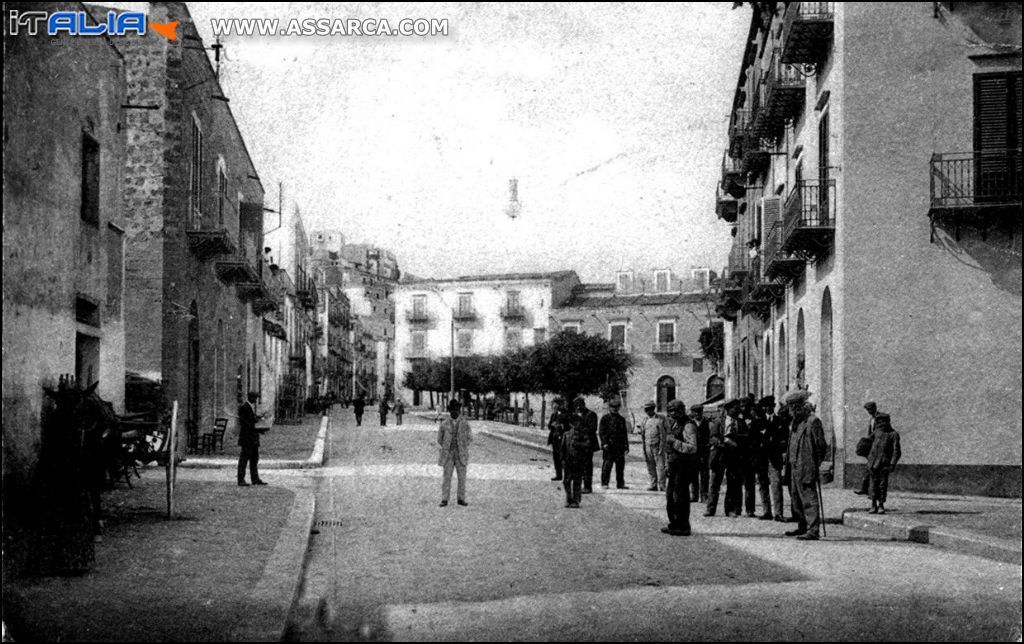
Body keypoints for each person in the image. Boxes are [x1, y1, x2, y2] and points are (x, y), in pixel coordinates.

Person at [783, 389, 828, 541]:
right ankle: (802, 526)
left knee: (809, 499)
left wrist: (815, 464)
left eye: (792, 408)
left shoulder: (812, 422)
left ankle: (813, 530)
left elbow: (821, 446)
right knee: (796, 499)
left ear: (799, 407)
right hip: (794, 467)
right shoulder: (795, 424)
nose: (791, 411)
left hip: (806, 467)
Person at [662, 400, 698, 536]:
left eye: (675, 410)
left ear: (682, 410)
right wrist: (667, 464)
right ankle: (674, 523)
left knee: (681, 496)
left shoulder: (688, 425)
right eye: (670, 410)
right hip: (674, 465)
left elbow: (692, 447)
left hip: (684, 465)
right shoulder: (675, 423)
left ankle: (683, 526)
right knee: (671, 496)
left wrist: (674, 442)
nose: (672, 413)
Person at [437, 398, 472, 507]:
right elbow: (439, 439)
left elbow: (470, 437)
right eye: (452, 410)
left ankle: (461, 499)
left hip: (461, 454)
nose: (455, 412)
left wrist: (462, 445)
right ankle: (444, 499)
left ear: (459, 410)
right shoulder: (444, 424)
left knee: (462, 477)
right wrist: (447, 446)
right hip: (448, 454)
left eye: (456, 409)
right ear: (449, 411)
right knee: (447, 477)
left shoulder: (465, 423)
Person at [759, 396, 788, 522]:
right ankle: (766, 511)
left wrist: (780, 448)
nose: (768, 408)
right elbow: (754, 440)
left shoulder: (780, 421)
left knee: (776, 485)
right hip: (762, 458)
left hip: (775, 458)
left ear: (773, 406)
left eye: (770, 405)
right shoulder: (758, 421)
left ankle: (778, 513)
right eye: (765, 406)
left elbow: (784, 439)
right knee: (763, 485)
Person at [866, 412, 901, 514]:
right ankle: (873, 505)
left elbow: (896, 451)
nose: (881, 425)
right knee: (872, 484)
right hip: (872, 463)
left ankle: (881, 505)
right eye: (879, 422)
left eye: (883, 422)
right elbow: (868, 442)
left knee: (882, 485)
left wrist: (892, 464)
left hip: (884, 464)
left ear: (888, 422)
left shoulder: (893, 435)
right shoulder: (876, 432)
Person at [721, 399, 747, 518]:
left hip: (739, 455)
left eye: (738, 408)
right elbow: (715, 437)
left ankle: (737, 508)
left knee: (737, 482)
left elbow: (747, 435)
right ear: (728, 409)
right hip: (725, 455)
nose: (737, 410)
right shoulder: (721, 421)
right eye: (734, 408)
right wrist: (726, 442)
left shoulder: (741, 421)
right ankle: (729, 508)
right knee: (730, 482)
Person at [598, 397, 630, 489]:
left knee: (620, 467)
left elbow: (624, 434)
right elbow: (601, 432)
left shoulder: (621, 419)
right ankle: (604, 483)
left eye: (616, 407)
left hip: (619, 447)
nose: (614, 409)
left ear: (619, 408)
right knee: (607, 466)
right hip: (609, 446)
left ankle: (620, 484)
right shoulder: (605, 419)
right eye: (612, 407)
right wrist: (604, 443)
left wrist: (626, 446)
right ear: (609, 408)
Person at [237, 391, 267, 487]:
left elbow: (251, 420)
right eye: (254, 398)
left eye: (256, 398)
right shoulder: (244, 407)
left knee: (254, 460)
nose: (255, 400)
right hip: (247, 438)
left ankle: (255, 479)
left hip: (253, 438)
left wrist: (260, 425)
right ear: (249, 397)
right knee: (244, 459)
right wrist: (257, 424)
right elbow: (245, 423)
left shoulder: (251, 407)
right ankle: (241, 479)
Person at [638, 400, 667, 491]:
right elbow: (643, 434)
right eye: (645, 409)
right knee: (650, 466)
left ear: (653, 409)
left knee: (660, 467)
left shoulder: (660, 419)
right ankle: (653, 484)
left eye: (649, 409)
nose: (647, 411)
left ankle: (662, 485)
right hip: (647, 446)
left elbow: (663, 435)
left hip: (657, 446)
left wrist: (662, 447)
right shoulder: (645, 420)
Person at [704, 406, 727, 516]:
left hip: (732, 456)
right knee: (714, 484)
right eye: (720, 410)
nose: (722, 412)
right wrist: (721, 443)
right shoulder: (717, 422)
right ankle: (711, 508)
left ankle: (730, 509)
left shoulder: (738, 421)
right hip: (718, 456)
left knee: (732, 484)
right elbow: (712, 437)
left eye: (724, 410)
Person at [573, 397, 599, 494]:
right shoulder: (576, 415)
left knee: (587, 465)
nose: (578, 407)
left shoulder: (591, 415)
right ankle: (581, 485)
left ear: (584, 404)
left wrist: (579, 429)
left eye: (580, 405)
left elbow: (592, 429)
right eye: (576, 406)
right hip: (578, 443)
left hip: (588, 443)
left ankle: (588, 486)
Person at [855, 401, 879, 495]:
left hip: (877, 446)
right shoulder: (871, 419)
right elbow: (870, 431)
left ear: (874, 408)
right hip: (872, 445)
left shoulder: (878, 418)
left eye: (869, 409)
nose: (868, 411)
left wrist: (870, 437)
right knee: (868, 468)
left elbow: (878, 431)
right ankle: (865, 489)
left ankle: (872, 492)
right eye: (867, 410)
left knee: (873, 469)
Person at [690, 405, 710, 503]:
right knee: (693, 474)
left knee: (705, 475)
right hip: (693, 452)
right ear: (692, 413)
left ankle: (704, 495)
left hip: (704, 451)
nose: (697, 414)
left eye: (699, 412)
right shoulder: (690, 423)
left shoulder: (707, 422)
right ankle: (694, 495)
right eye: (695, 412)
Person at [546, 396, 569, 481]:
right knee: (556, 457)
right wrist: (552, 425)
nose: (554, 407)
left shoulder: (566, 414)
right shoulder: (553, 415)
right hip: (555, 439)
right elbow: (549, 426)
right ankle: (558, 474)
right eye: (554, 405)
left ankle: (567, 475)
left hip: (563, 439)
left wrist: (561, 426)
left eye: (557, 405)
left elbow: (568, 427)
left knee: (564, 457)